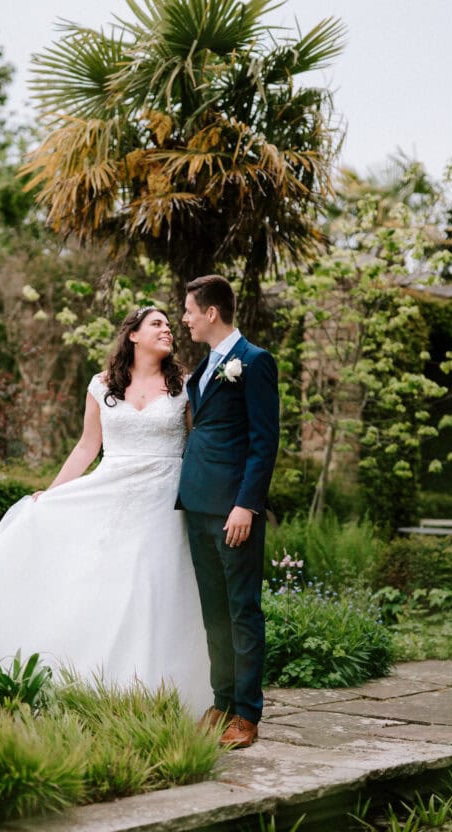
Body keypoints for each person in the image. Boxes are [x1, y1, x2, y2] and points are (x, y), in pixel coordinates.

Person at [0, 307, 212, 715]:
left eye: (169, 325)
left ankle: (156, 694)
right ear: (133, 336)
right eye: (157, 324)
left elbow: (202, 442)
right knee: (105, 591)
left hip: (164, 501)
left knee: (153, 588)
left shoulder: (185, 385)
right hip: (113, 495)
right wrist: (52, 495)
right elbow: (87, 447)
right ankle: (100, 687)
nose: (168, 330)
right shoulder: (102, 385)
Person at [177, 275, 280, 748]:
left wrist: (247, 505)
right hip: (196, 506)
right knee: (214, 612)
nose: (185, 319)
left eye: (189, 310)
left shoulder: (255, 362)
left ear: (211, 312)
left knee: (242, 610)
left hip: (233, 510)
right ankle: (220, 703)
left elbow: (264, 441)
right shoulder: (204, 367)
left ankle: (247, 714)